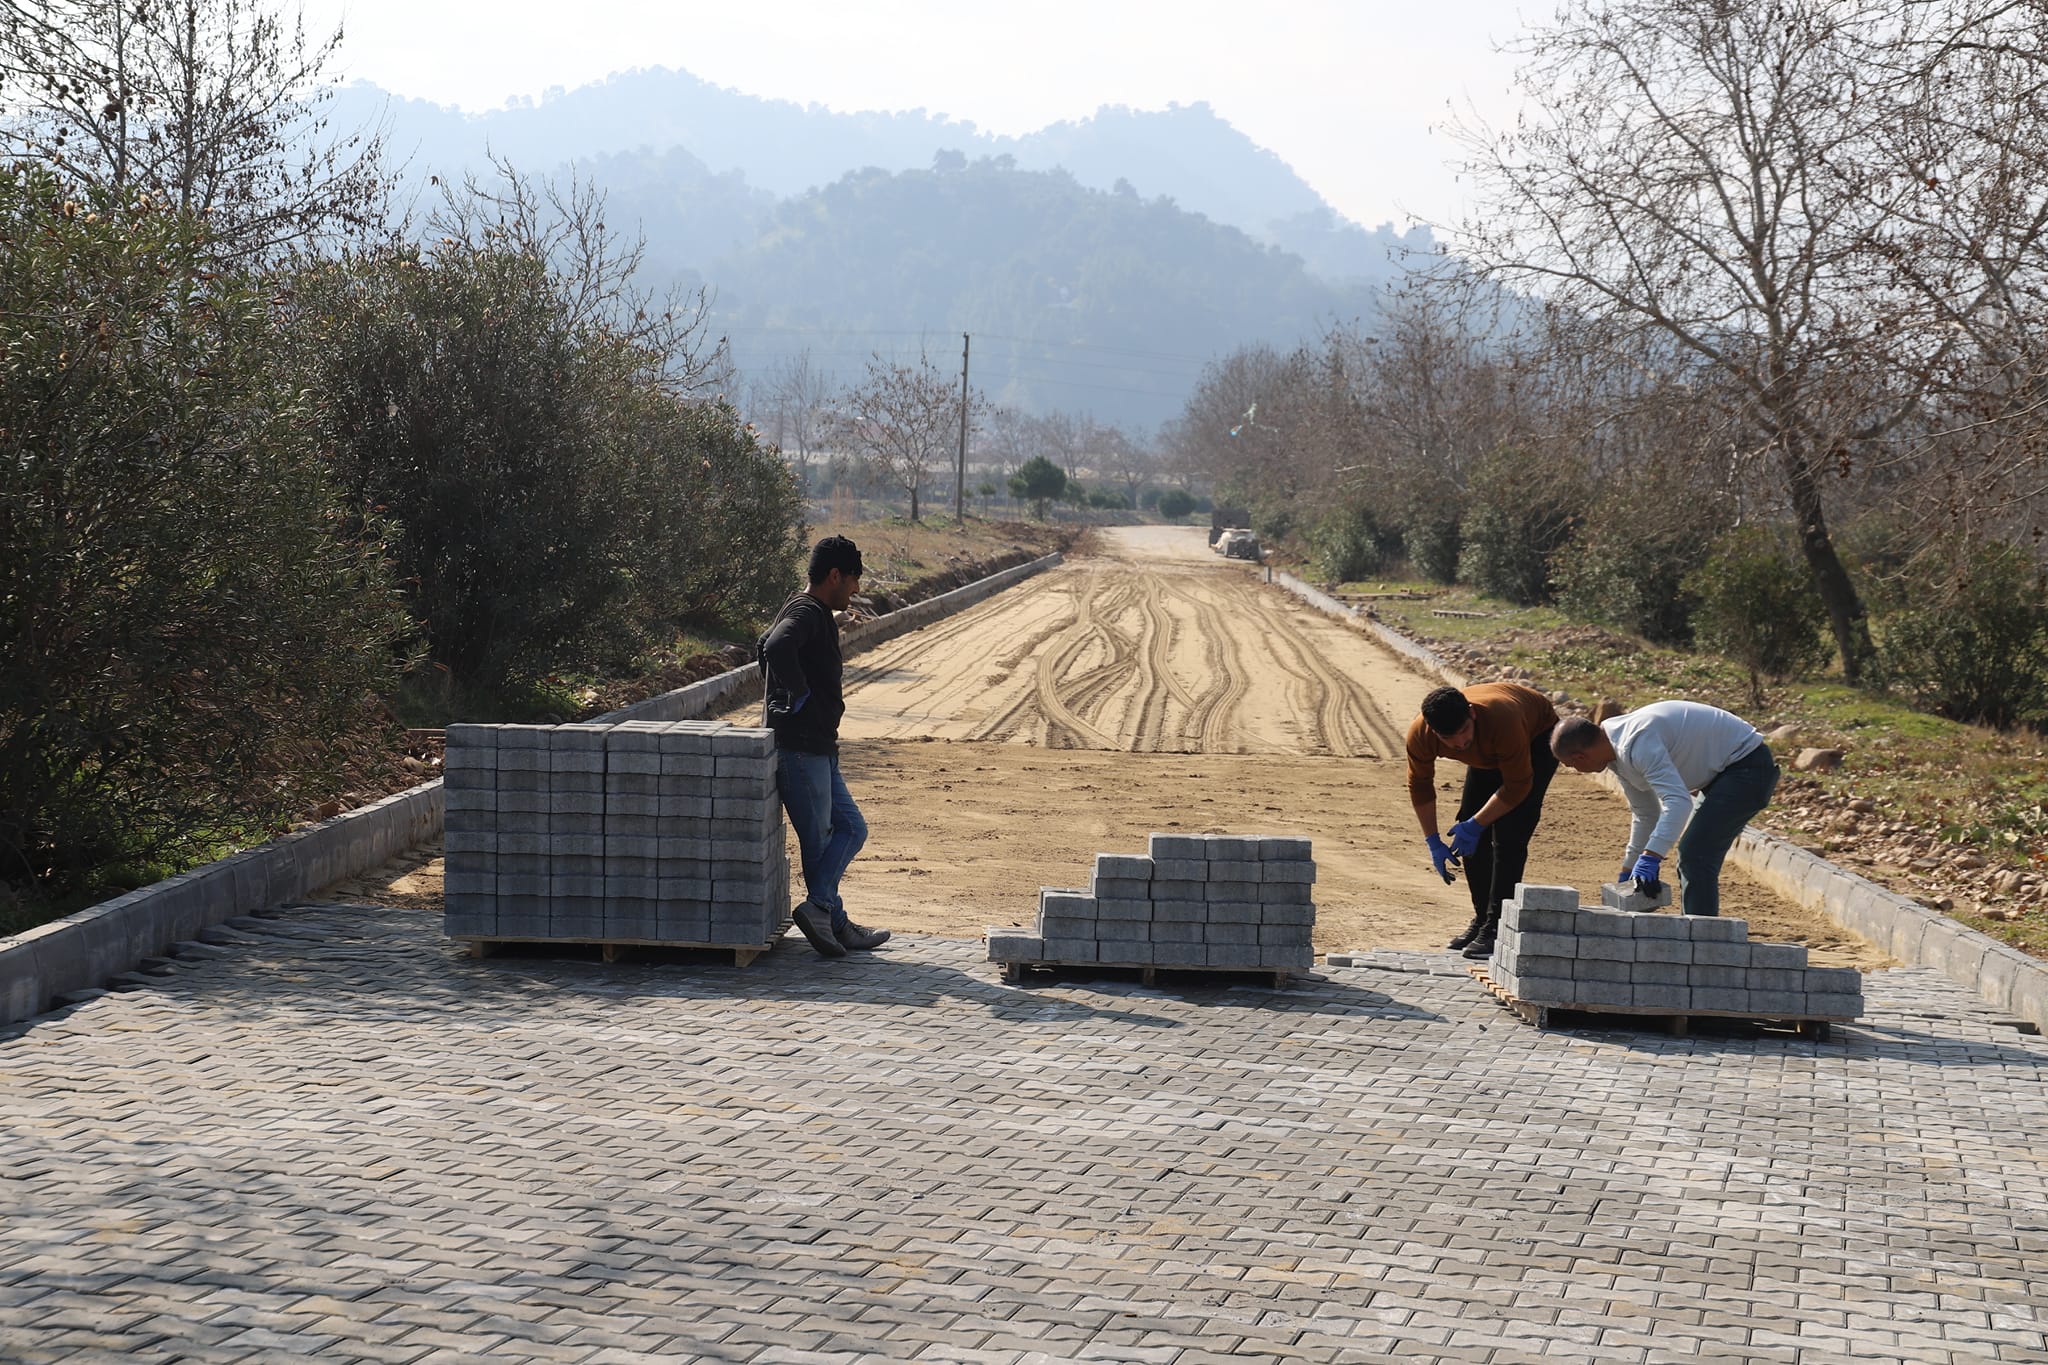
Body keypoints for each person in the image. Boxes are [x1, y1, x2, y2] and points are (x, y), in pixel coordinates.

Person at [760, 535, 890, 958]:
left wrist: (792, 697)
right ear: (834, 576)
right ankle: (823, 912)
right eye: (853, 581)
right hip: (800, 751)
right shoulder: (808, 611)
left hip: (818, 748)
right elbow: (775, 646)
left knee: (851, 829)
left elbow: (763, 645)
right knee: (820, 844)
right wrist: (796, 698)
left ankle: (831, 918)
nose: (855, 590)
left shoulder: (805, 609)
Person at [1549, 701, 1779, 918]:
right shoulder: (1613, 750)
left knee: (1695, 855)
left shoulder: (1637, 743)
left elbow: (1678, 802)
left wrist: (1651, 857)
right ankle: (1696, 930)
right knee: (1693, 856)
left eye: (1573, 765)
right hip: (1721, 773)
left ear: (1580, 756)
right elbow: (1645, 813)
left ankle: (1702, 941)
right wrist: (1629, 868)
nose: (1578, 770)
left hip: (1748, 768)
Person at [1406, 682, 1561, 959]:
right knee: (1467, 827)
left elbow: (1517, 786)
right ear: (1433, 730)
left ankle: (1498, 925)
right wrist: (1432, 839)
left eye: (1464, 731)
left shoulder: (1503, 719)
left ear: (1471, 714)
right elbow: (1420, 785)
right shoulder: (1421, 734)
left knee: (1510, 833)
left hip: (1536, 736)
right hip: (1488, 752)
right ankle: (1482, 919)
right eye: (1448, 739)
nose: (1459, 743)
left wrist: (1478, 824)